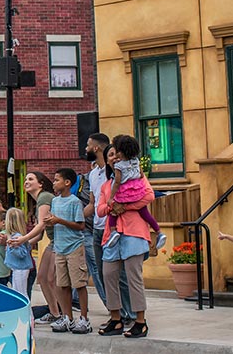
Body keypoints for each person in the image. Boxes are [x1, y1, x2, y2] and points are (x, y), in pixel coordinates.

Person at [97, 144, 153, 339]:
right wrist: (112, 207)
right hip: (111, 236)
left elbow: (148, 196)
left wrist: (125, 206)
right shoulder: (106, 185)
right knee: (108, 275)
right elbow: (100, 209)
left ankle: (140, 321)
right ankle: (116, 318)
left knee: (133, 278)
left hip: (134, 233)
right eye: (110, 155)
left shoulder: (138, 177)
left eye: (116, 154)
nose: (114, 158)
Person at [84, 134, 137, 325]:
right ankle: (116, 314)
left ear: (98, 149)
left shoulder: (119, 174)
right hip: (97, 231)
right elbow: (93, 204)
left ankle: (129, 314)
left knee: (120, 274)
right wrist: (70, 218)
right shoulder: (93, 174)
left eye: (88, 145)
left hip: (115, 229)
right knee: (102, 274)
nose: (85, 149)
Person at [9, 172, 61, 324]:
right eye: (25, 179)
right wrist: (23, 243)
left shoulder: (44, 197)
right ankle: (54, 313)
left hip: (60, 242)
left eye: (31, 179)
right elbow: (40, 235)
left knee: (51, 279)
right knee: (43, 278)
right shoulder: (40, 200)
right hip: (53, 241)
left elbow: (41, 225)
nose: (26, 181)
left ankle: (61, 314)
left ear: (41, 184)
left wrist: (23, 239)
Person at [46, 168, 91, 334]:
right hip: (60, 248)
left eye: (57, 180)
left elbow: (80, 225)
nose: (54, 182)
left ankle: (84, 319)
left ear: (67, 183)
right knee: (62, 284)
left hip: (74, 248)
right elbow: (56, 221)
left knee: (79, 284)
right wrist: (51, 222)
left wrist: (59, 220)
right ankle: (68, 318)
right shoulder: (55, 202)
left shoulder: (74, 202)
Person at [105, 135, 166, 250]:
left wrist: (111, 197)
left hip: (124, 193)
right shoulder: (136, 161)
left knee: (113, 211)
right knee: (145, 213)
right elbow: (141, 175)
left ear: (121, 152)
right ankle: (159, 232)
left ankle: (113, 232)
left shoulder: (119, 166)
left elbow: (117, 182)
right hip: (138, 192)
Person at [4, 207, 34, 296]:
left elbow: (22, 253)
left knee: (21, 293)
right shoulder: (17, 236)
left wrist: (12, 247)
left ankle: (26, 310)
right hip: (18, 268)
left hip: (21, 268)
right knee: (17, 291)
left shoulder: (16, 237)